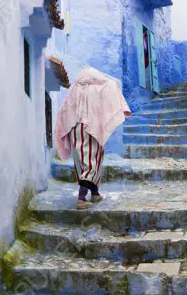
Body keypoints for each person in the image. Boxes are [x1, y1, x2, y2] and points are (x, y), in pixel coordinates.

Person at [55, 67, 132, 210]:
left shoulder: (73, 90)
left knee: (83, 162)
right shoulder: (99, 88)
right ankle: (81, 198)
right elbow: (110, 92)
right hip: (91, 130)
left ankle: (95, 193)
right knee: (91, 162)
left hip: (74, 130)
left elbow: (64, 111)